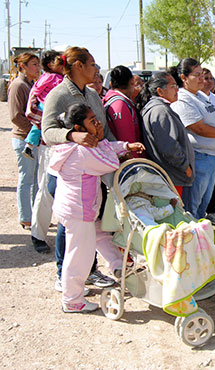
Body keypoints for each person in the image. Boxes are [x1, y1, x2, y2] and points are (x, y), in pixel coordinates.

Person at [49, 103, 144, 313]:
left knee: (101, 236)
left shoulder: (79, 147)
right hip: (79, 211)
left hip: (79, 208)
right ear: (78, 130)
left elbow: (106, 148)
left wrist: (126, 146)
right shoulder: (82, 152)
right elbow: (109, 162)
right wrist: (104, 140)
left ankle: (119, 267)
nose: (98, 122)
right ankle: (73, 300)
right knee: (79, 256)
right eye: (92, 121)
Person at [42, 46, 119, 290]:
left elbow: (104, 132)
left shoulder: (93, 95)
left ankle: (89, 271)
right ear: (78, 66)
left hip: (92, 170)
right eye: (93, 64)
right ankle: (63, 274)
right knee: (69, 226)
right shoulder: (58, 94)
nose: (97, 69)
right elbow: (47, 132)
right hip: (68, 172)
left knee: (89, 227)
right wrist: (70, 136)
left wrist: (121, 149)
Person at [171, 58, 215, 219]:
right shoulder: (183, 99)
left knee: (203, 203)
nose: (201, 79)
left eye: (201, 75)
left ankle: (199, 235)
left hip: (212, 157)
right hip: (199, 157)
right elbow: (199, 128)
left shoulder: (201, 95)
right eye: (196, 75)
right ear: (184, 77)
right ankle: (192, 238)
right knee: (193, 205)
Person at [24, 50, 64, 253]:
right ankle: (38, 234)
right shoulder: (53, 82)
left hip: (59, 143)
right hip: (51, 144)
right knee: (47, 189)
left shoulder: (51, 80)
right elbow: (34, 110)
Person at [138, 72, 195, 209]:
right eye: (173, 86)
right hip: (171, 176)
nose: (177, 90)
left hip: (170, 175)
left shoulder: (159, 109)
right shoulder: (160, 110)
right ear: (160, 91)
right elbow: (169, 147)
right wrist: (185, 167)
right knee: (173, 214)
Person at [8, 52, 41, 232]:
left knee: (36, 180)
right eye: (34, 64)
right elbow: (15, 116)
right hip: (24, 139)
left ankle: (36, 216)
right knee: (26, 179)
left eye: (37, 64)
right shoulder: (18, 85)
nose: (37, 68)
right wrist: (33, 132)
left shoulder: (32, 84)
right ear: (23, 66)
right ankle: (26, 217)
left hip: (33, 139)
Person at [103, 65, 144, 158]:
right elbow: (127, 140)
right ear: (132, 81)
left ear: (111, 84)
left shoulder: (115, 101)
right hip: (128, 161)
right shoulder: (120, 104)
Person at [202, 68, 215, 225]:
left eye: (211, 78)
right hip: (202, 150)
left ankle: (213, 211)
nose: (209, 81)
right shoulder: (195, 99)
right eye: (205, 78)